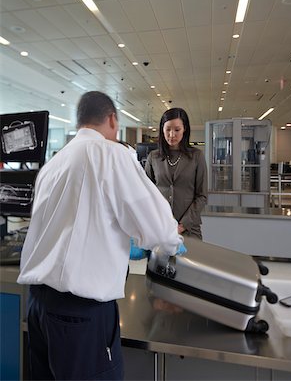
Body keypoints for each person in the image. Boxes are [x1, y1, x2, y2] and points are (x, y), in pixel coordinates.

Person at [17, 91, 184, 381]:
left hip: (38, 308)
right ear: (111, 119)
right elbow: (157, 225)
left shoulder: (53, 165)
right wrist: (172, 242)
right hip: (79, 314)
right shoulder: (112, 154)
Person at [145, 107, 207, 240]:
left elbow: (202, 196)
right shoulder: (153, 157)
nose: (172, 134)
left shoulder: (196, 156)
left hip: (189, 229)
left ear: (184, 129)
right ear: (162, 129)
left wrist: (181, 226)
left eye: (177, 130)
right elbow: (146, 193)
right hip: (160, 228)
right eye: (168, 129)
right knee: (160, 261)